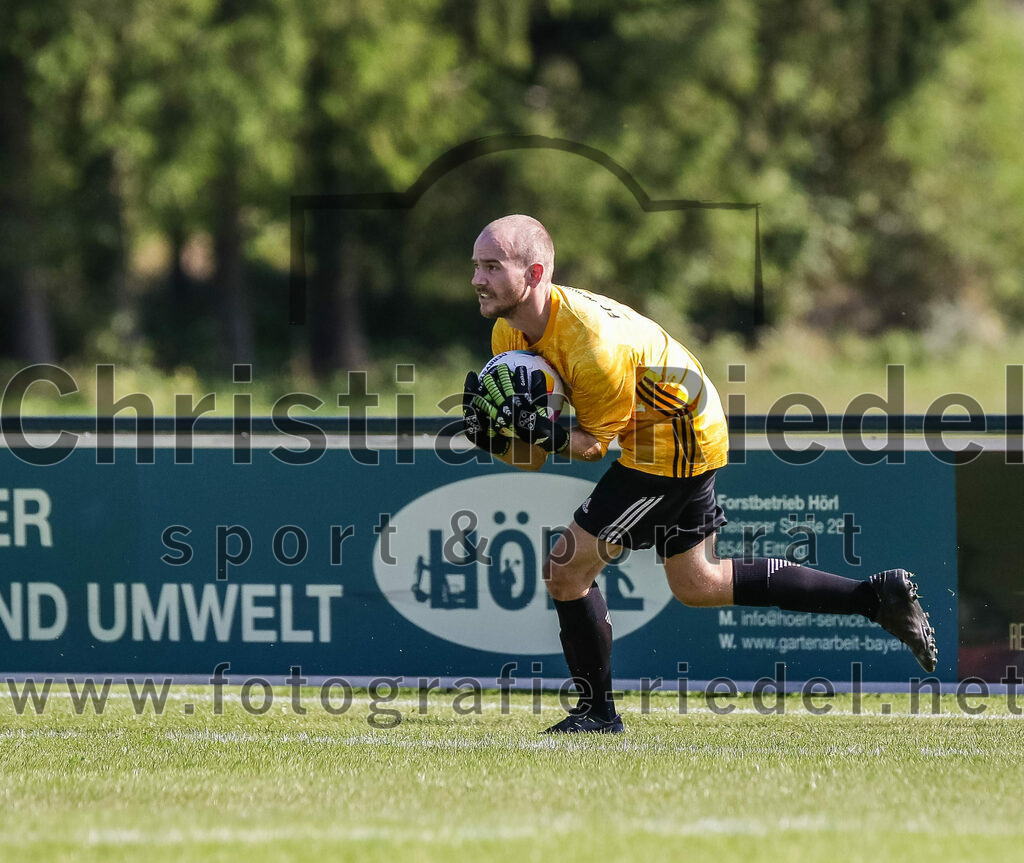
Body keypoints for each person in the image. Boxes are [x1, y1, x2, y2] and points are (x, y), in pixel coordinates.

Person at [461, 214, 937, 734]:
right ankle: (877, 598)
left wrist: (536, 430)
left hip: (674, 437)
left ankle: (597, 715)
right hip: (677, 426)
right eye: (476, 266)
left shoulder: (591, 342)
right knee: (698, 583)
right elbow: (532, 456)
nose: (477, 279)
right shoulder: (508, 332)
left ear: (533, 273)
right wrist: (492, 434)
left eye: (491, 266)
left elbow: (592, 446)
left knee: (566, 570)